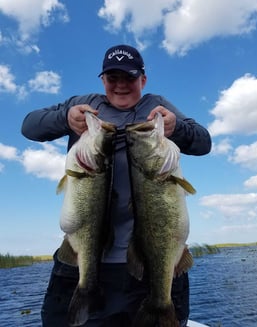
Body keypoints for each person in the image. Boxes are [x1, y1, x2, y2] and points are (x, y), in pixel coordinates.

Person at [21, 44, 211, 327]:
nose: (121, 85)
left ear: (143, 80)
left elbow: (203, 142)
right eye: (113, 78)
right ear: (102, 80)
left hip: (149, 263)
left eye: (129, 78)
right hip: (87, 259)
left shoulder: (157, 106)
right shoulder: (86, 103)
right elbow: (29, 127)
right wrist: (65, 118)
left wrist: (177, 128)